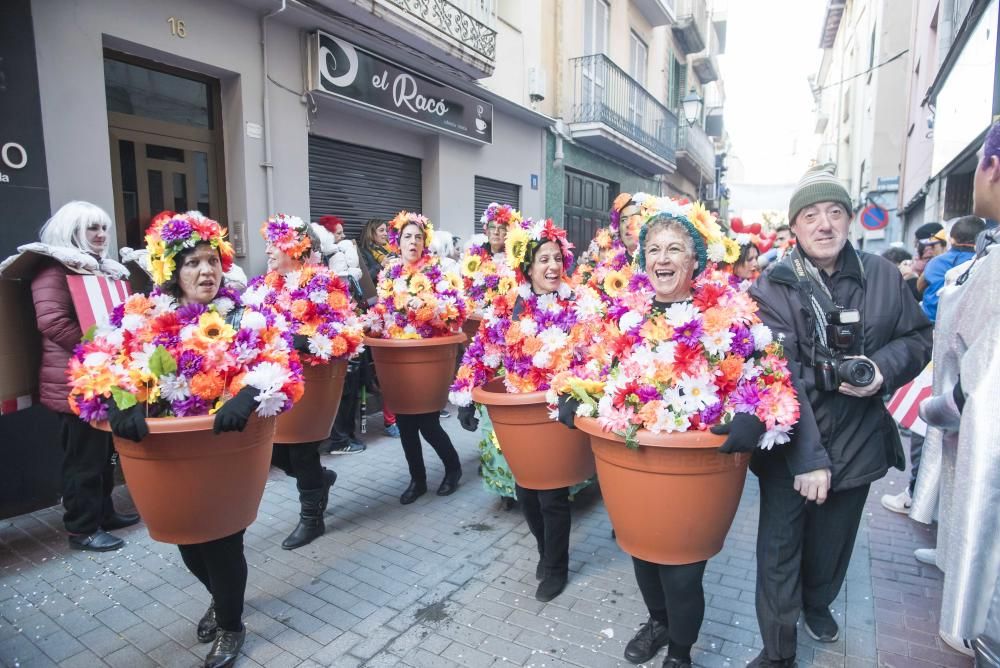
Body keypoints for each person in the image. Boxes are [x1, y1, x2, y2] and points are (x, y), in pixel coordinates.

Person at [558, 200, 800, 668]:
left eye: (674, 249)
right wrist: (572, 393)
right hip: (635, 462)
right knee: (644, 557)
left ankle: (682, 654)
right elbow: (585, 364)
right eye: (653, 249)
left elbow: (772, 375)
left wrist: (757, 413)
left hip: (697, 469)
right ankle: (659, 624)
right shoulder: (620, 315)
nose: (662, 259)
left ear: (695, 261)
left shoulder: (730, 315)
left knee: (684, 573)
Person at [72, 211, 303, 668]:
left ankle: (232, 627)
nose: (207, 271)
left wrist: (253, 391)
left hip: (227, 449)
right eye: (194, 262)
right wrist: (121, 399)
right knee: (188, 541)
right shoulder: (142, 316)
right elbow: (98, 365)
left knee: (224, 541)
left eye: (212, 261)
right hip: (173, 454)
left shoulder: (245, 314)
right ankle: (221, 600)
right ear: (172, 271)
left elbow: (282, 361)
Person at [746, 164, 932, 667]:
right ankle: (778, 651)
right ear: (795, 228)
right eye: (811, 215)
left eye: (834, 212)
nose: (824, 224)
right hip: (792, 443)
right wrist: (808, 458)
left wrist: (880, 370)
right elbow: (779, 375)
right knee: (780, 551)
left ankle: (819, 602)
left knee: (832, 546)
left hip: (859, 437)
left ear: (849, 220)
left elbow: (917, 338)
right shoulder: (772, 286)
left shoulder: (885, 277)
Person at [451, 217, 596, 602]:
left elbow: (594, 355)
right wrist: (466, 394)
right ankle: (545, 551)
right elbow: (482, 351)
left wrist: (576, 388)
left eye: (556, 258)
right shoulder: (508, 306)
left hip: (558, 412)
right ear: (527, 267)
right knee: (525, 492)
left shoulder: (580, 303)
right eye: (542, 260)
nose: (552, 267)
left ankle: (556, 567)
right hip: (519, 414)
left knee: (552, 494)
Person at [912, 121, 1000, 656]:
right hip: (967, 397)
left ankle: (966, 622)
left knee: (981, 496)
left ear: (990, 167)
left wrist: (957, 400)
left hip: (981, 402)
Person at [16, 201, 141, 552]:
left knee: (101, 456)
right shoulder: (53, 270)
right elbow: (52, 322)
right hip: (72, 382)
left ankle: (104, 513)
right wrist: (98, 346)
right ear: (72, 231)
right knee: (82, 461)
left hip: (97, 376)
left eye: (104, 228)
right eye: (92, 229)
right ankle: (82, 530)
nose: (101, 235)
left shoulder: (96, 269)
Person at [245, 214, 363, 549]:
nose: (267, 249)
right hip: (272, 382)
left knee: (300, 449)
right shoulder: (261, 286)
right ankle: (320, 481)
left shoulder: (323, 284)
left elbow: (346, 332)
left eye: (275, 243)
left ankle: (312, 519)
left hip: (311, 382)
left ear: (296, 247)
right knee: (275, 452)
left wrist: (303, 340)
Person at [367, 212, 464, 504]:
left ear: (425, 242)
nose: (413, 242)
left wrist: (426, 305)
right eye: (407, 237)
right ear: (398, 242)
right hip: (398, 356)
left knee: (428, 423)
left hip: (427, 357)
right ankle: (417, 479)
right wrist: (371, 322)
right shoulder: (389, 273)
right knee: (407, 425)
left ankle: (453, 469)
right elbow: (383, 311)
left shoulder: (439, 271)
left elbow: (453, 312)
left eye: (418, 237)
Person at [357, 218, 400, 438]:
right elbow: (365, 282)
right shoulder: (364, 254)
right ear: (371, 232)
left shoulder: (391, 251)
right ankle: (390, 420)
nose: (386, 234)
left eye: (387, 230)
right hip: (376, 316)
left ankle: (397, 416)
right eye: (381, 230)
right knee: (386, 371)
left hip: (396, 313)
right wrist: (381, 266)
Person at [917, 216, 986, 323]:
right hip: (965, 325)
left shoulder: (935, 262)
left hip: (930, 323)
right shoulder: (984, 262)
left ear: (951, 240)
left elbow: (920, 287)